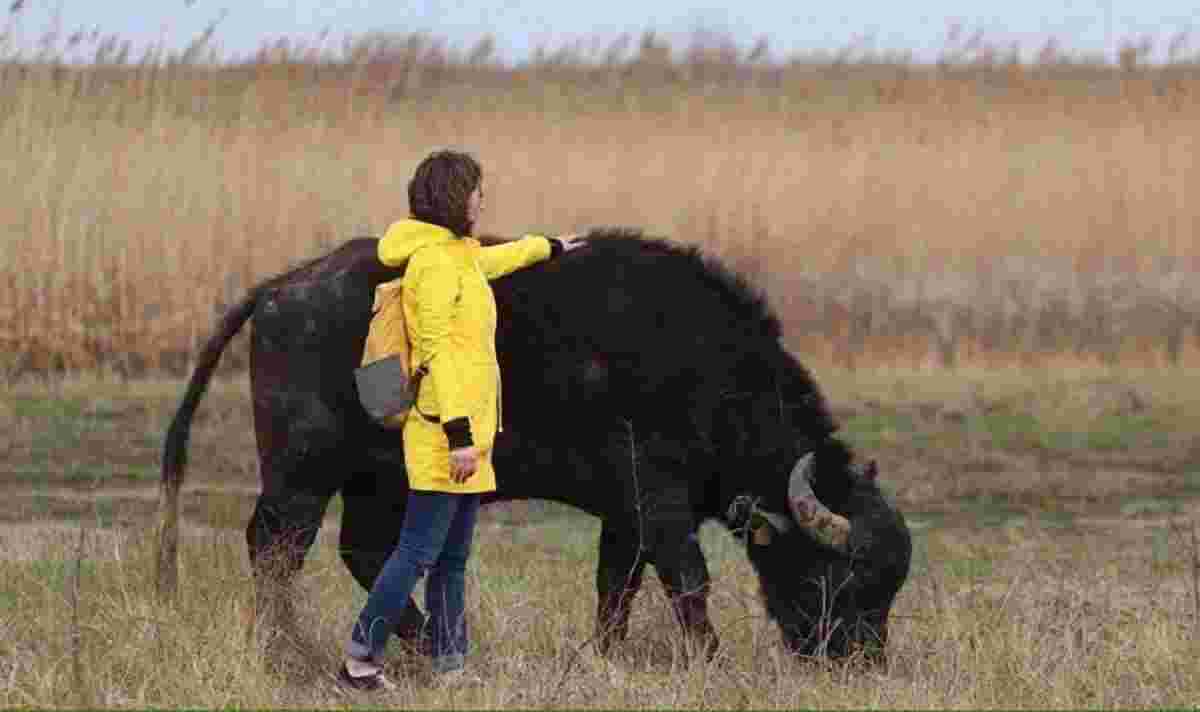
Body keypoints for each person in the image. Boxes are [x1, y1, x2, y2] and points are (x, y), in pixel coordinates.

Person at [340, 150, 581, 690]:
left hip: (469, 434)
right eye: (476, 190)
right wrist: (458, 437)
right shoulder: (432, 264)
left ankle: (449, 665)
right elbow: (436, 354)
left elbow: (497, 259)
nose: (482, 198)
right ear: (454, 197)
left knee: (452, 559)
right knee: (415, 554)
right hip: (445, 435)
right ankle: (359, 660)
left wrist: (550, 246)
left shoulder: (460, 254)